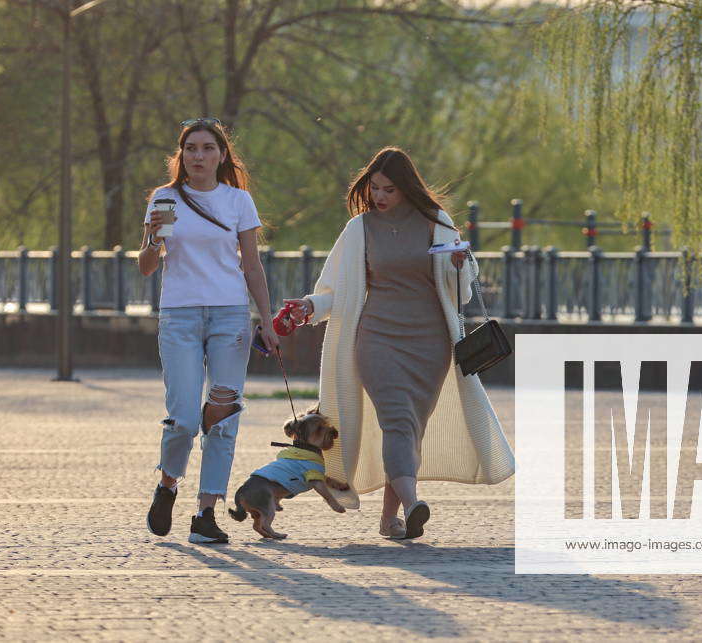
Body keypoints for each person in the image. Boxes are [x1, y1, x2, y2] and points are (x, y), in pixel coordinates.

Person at [284, 147, 515, 540]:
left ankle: (390, 520)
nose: (380, 196)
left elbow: (459, 293)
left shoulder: (436, 222)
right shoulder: (359, 228)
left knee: (409, 428)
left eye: (389, 189)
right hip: (377, 337)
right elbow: (336, 288)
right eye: (374, 188)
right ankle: (413, 504)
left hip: (429, 342)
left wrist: (460, 265)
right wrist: (310, 305)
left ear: (407, 188)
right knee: (396, 420)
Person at [139, 117, 279, 544]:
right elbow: (147, 267)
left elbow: (252, 266)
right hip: (179, 316)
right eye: (191, 149)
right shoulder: (164, 199)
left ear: (222, 155)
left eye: (207, 148)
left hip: (230, 316)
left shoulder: (239, 201)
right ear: (181, 156)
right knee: (182, 419)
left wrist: (267, 321)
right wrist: (152, 239)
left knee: (223, 416)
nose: (198, 156)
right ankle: (168, 484)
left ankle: (206, 512)